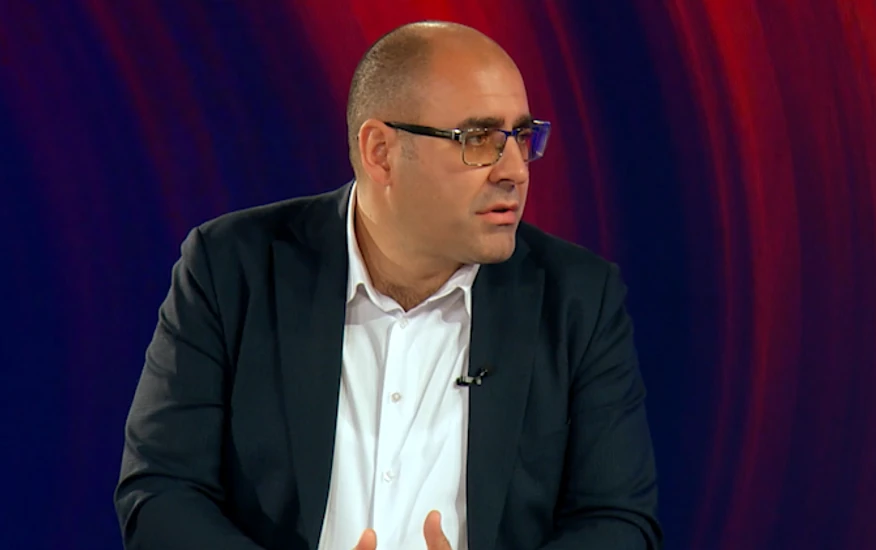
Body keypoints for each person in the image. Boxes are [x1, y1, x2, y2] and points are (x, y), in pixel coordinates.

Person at [114, 20, 663, 550]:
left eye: (522, 136)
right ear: (380, 152)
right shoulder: (234, 268)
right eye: (478, 139)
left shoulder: (576, 299)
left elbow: (618, 522)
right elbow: (160, 493)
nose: (515, 170)